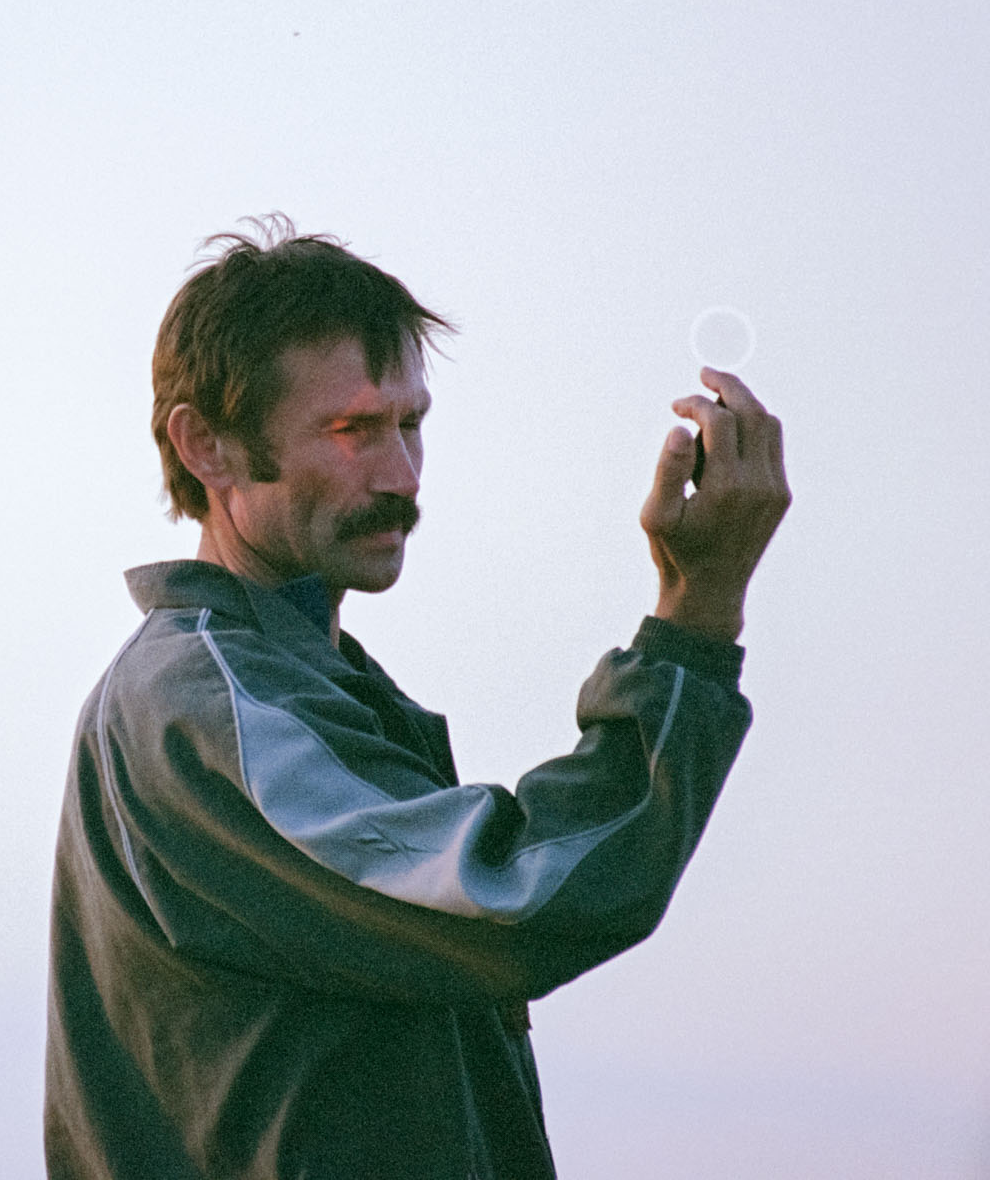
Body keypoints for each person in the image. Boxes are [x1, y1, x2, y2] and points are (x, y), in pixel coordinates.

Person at [43, 218, 791, 1179]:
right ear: (208, 447)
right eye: (352, 430)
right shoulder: (202, 704)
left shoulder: (288, 687)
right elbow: (521, 898)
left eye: (411, 425)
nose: (401, 476)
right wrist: (696, 613)